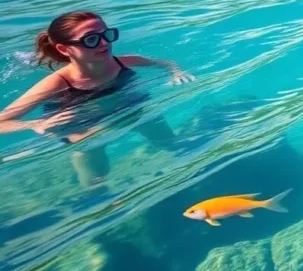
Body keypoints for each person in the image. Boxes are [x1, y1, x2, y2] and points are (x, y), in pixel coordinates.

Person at [0, 11, 194, 187]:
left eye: (106, 35)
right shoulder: (56, 83)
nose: (104, 43)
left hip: (131, 110)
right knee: (95, 181)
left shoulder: (124, 61)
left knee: (171, 143)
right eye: (91, 39)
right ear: (64, 49)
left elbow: (164, 63)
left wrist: (176, 72)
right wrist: (35, 124)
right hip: (85, 129)